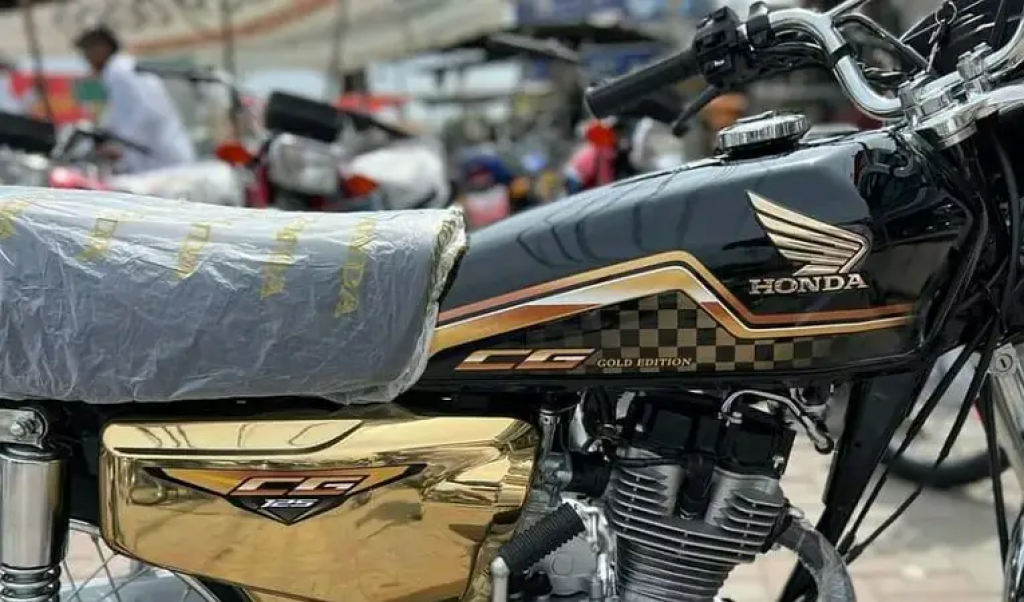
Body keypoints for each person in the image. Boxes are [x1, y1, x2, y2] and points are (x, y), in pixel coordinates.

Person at [74, 24, 195, 174]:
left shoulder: (119, 72)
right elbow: (117, 118)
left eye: (88, 51)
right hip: (163, 161)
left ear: (103, 47)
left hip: (163, 163)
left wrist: (121, 147)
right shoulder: (121, 70)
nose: (87, 59)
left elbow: (149, 111)